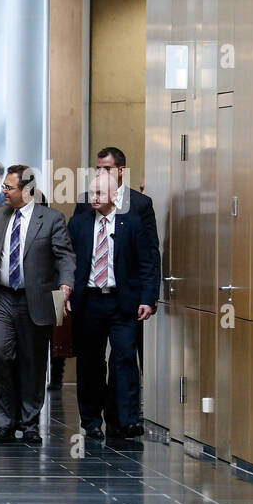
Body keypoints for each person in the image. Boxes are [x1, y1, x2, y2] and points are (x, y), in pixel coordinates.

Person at [0, 165, 76, 444]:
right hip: (4, 298)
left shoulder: (51, 219)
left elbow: (65, 257)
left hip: (37, 299)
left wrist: (66, 284)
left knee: (32, 362)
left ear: (27, 190)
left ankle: (30, 422)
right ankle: (2, 421)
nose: (3, 192)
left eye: (9, 188)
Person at [68, 171, 158, 440]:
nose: (93, 198)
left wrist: (147, 299)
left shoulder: (131, 223)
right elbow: (65, 263)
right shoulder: (79, 224)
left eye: (99, 194)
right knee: (90, 362)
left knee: (125, 358)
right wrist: (62, 298)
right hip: (89, 301)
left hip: (123, 302)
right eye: (91, 192)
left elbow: (147, 263)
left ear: (113, 196)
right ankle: (91, 421)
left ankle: (127, 420)